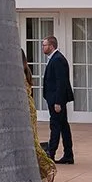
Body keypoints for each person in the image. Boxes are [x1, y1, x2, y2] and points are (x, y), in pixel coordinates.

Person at [41, 33, 75, 164]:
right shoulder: (53, 58)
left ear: (51, 46)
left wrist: (58, 102)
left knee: (56, 126)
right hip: (53, 98)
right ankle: (68, 154)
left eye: (44, 45)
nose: (42, 47)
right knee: (63, 126)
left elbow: (61, 82)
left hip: (56, 100)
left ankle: (51, 153)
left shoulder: (58, 59)